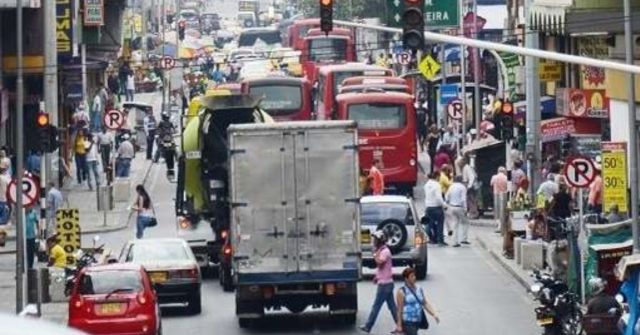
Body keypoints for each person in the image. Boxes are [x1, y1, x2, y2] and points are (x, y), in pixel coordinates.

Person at [360, 230, 397, 333]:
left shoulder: (385, 251)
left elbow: (380, 263)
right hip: (387, 282)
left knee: (376, 306)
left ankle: (368, 326)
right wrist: (377, 276)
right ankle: (400, 326)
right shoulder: (382, 250)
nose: (373, 241)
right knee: (392, 307)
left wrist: (374, 254)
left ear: (380, 240)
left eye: (375, 239)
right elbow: (382, 268)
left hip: (385, 285)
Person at [395, 267, 440, 335]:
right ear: (406, 279)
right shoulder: (401, 292)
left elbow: (424, 303)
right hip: (408, 321)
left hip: (418, 320)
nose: (414, 278)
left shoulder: (419, 288)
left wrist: (434, 314)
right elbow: (399, 309)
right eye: (412, 276)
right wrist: (399, 325)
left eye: (414, 275)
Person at [446, 176, 469, 247]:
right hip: (460, 207)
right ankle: (464, 239)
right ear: (461, 180)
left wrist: (448, 204)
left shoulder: (451, 186)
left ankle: (454, 242)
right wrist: (465, 208)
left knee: (454, 224)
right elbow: (463, 199)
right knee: (465, 222)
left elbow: (447, 196)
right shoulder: (462, 187)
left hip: (452, 206)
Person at [424, 171, 446, 246]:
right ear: (437, 177)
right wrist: (444, 205)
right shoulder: (437, 185)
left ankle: (429, 238)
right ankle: (440, 241)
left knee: (429, 224)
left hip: (428, 207)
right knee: (440, 224)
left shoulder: (426, 184)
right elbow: (438, 197)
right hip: (436, 207)